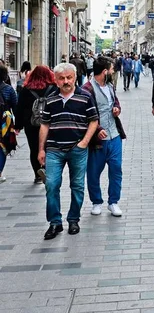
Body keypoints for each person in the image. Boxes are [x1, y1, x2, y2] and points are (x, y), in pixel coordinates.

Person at [38, 63, 99, 239]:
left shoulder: (85, 97)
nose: (66, 81)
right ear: (56, 80)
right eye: (62, 78)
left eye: (69, 77)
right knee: (51, 185)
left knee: (77, 186)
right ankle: (55, 222)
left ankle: (73, 219)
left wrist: (85, 142)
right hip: (54, 149)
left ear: (74, 77)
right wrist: (41, 149)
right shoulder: (50, 98)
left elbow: (93, 121)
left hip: (77, 149)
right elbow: (44, 124)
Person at [83, 56, 125, 217]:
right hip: (97, 139)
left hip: (114, 135)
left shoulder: (110, 86)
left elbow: (116, 102)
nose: (114, 72)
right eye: (112, 69)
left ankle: (113, 202)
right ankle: (96, 202)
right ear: (105, 71)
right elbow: (84, 114)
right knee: (94, 171)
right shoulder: (87, 89)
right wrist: (97, 128)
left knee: (116, 169)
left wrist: (116, 108)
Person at [14, 65, 55, 183]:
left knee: (34, 148)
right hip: (49, 123)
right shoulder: (53, 88)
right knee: (47, 147)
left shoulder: (26, 89)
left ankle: (37, 174)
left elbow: (19, 108)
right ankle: (46, 169)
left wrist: (18, 126)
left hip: (31, 124)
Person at [0, 63, 18, 183]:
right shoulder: (8, 89)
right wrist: (18, 125)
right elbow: (16, 106)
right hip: (4, 123)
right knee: (2, 147)